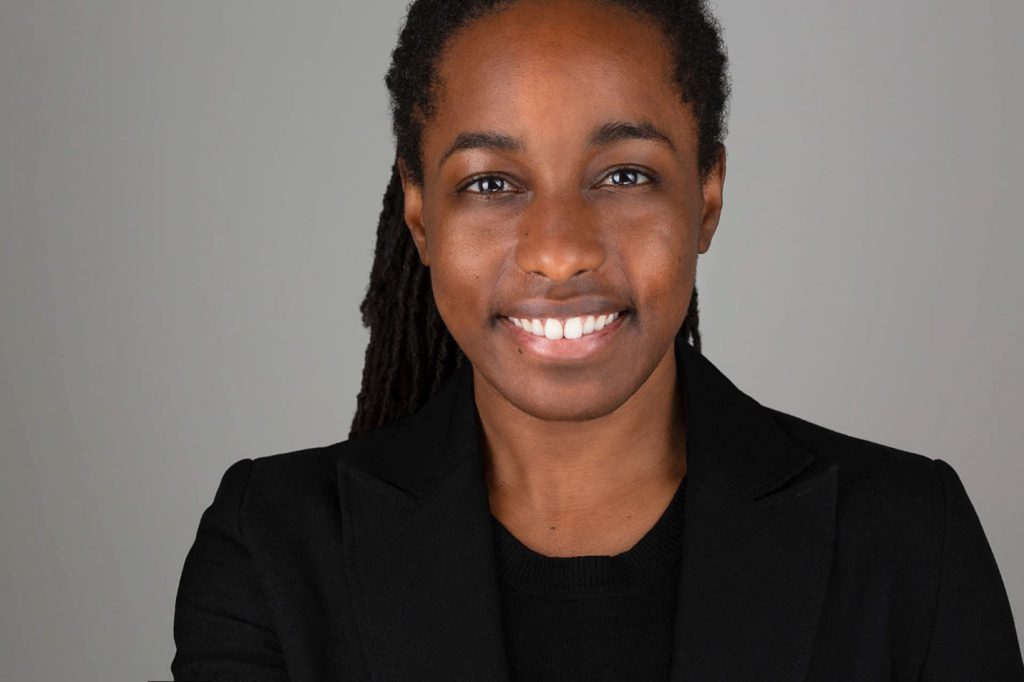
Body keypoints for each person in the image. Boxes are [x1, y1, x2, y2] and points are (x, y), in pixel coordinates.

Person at [171, 1, 1024, 680]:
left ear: (709, 196)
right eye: (492, 182)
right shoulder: (274, 550)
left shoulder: (909, 538)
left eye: (625, 175)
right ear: (421, 214)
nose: (559, 249)